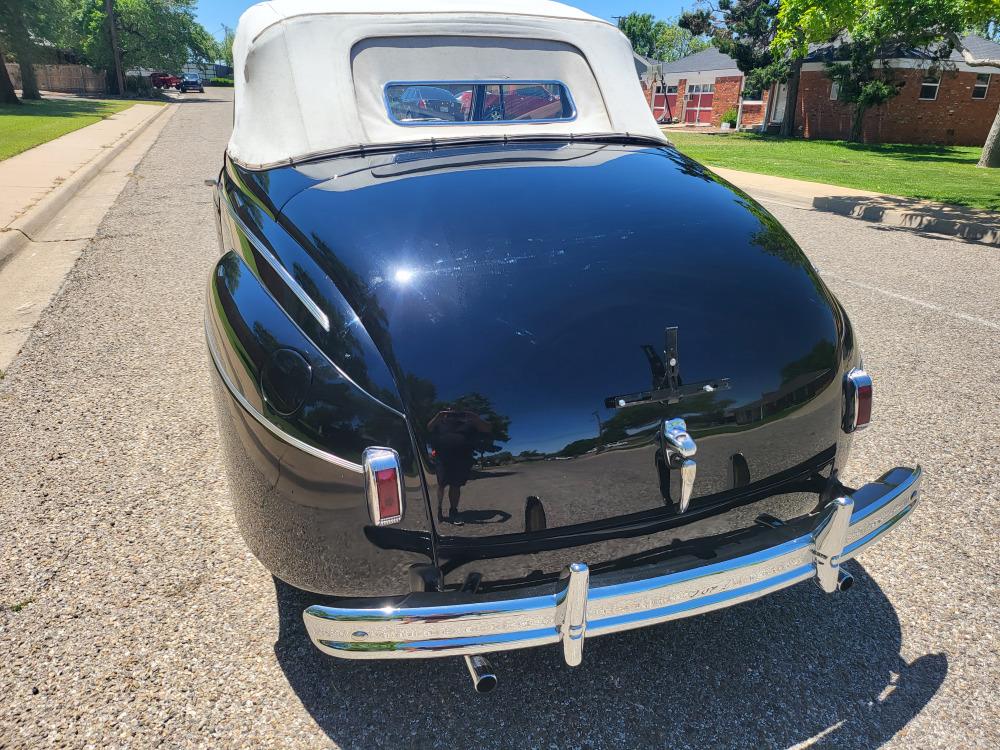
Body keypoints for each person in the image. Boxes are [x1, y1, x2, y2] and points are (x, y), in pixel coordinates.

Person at [427, 409, 492, 525]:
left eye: (456, 414)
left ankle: (453, 511)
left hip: (461, 459)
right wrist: (438, 416)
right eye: (449, 413)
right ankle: (439, 509)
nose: (453, 416)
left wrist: (475, 417)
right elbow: (429, 428)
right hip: (442, 459)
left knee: (455, 485)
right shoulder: (440, 424)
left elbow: (487, 429)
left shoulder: (468, 424)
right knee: (441, 484)